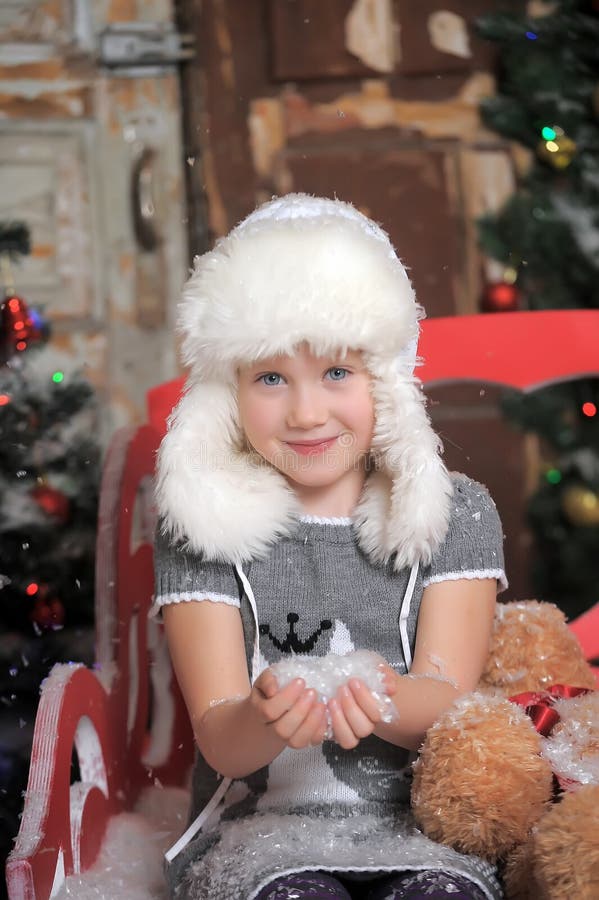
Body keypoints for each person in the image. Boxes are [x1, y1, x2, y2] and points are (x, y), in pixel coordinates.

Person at [151, 194, 508, 900]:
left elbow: (449, 708)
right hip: (256, 830)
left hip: (420, 825)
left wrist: (372, 691)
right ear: (228, 391)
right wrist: (265, 715)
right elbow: (221, 737)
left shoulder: (455, 513)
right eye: (270, 378)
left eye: (337, 372)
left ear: (387, 380)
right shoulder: (201, 525)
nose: (306, 412)